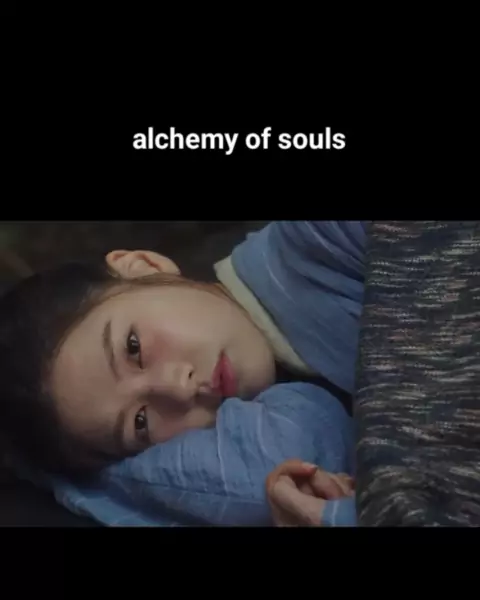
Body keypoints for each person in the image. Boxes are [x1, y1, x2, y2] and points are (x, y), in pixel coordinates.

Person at [0, 221, 367, 526]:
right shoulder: (291, 422)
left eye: (133, 348)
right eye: (140, 421)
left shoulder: (327, 238)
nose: (177, 389)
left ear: (143, 266)